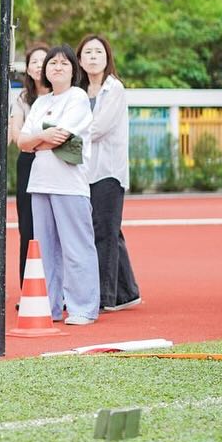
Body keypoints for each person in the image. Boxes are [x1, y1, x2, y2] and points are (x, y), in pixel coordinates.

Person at [16, 44, 100, 325]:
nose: (58, 67)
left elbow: (61, 136)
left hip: (69, 184)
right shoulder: (40, 103)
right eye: (53, 63)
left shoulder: (77, 97)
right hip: (40, 183)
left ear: (74, 70)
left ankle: (83, 308)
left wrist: (37, 140)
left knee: (76, 248)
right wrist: (42, 138)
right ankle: (49, 306)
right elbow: (22, 142)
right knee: (45, 251)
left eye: (64, 63)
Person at [78, 34, 141, 312]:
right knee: (110, 230)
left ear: (107, 58)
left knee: (103, 232)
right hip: (82, 171)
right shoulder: (78, 91)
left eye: (98, 52)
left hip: (108, 171)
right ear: (80, 60)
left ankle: (105, 296)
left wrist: (65, 134)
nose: (93, 57)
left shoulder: (114, 89)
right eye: (88, 52)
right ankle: (127, 293)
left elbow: (98, 127)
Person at [10, 45, 48, 283]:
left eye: (44, 61)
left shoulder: (65, 96)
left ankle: (59, 285)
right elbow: (17, 136)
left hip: (56, 161)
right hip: (29, 161)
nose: (39, 66)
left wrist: (32, 139)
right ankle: (29, 284)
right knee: (28, 223)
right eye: (34, 61)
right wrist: (40, 140)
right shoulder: (22, 98)